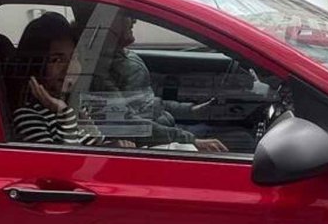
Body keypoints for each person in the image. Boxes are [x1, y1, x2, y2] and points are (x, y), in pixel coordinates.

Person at [90, 13, 227, 152]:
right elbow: (128, 122)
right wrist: (191, 140)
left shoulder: (120, 56)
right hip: (157, 141)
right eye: (126, 15)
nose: (134, 20)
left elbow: (146, 103)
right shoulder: (98, 71)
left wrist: (191, 111)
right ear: (106, 22)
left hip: (166, 129)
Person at [5, 13, 128, 147]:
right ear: (37, 66)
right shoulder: (28, 117)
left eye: (74, 57)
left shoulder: (75, 105)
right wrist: (65, 114)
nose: (69, 68)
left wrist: (119, 146)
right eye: (57, 60)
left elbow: (98, 148)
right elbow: (68, 163)